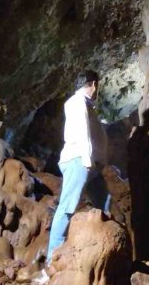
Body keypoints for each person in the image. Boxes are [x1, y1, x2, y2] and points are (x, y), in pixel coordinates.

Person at [45, 70, 110, 262]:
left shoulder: (87, 105)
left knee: (104, 203)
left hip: (90, 164)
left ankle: (104, 249)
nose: (97, 90)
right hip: (79, 161)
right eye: (97, 86)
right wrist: (87, 161)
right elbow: (82, 131)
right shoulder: (77, 102)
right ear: (93, 85)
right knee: (67, 207)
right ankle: (52, 259)